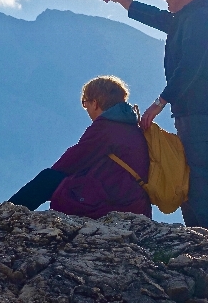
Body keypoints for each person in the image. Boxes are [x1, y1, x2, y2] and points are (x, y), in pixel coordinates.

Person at [95, 0, 208, 234]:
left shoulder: (200, 20)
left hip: (203, 113)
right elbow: (154, 17)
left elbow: (192, 66)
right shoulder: (187, 18)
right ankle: (199, 236)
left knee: (204, 176)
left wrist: (161, 101)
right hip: (197, 112)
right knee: (191, 172)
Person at [9, 76, 152, 219]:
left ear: (95, 103)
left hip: (116, 203)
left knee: (49, 178)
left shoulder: (105, 126)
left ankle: (6, 214)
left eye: (85, 103)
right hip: (137, 205)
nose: (87, 109)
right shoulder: (133, 128)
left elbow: (72, 160)